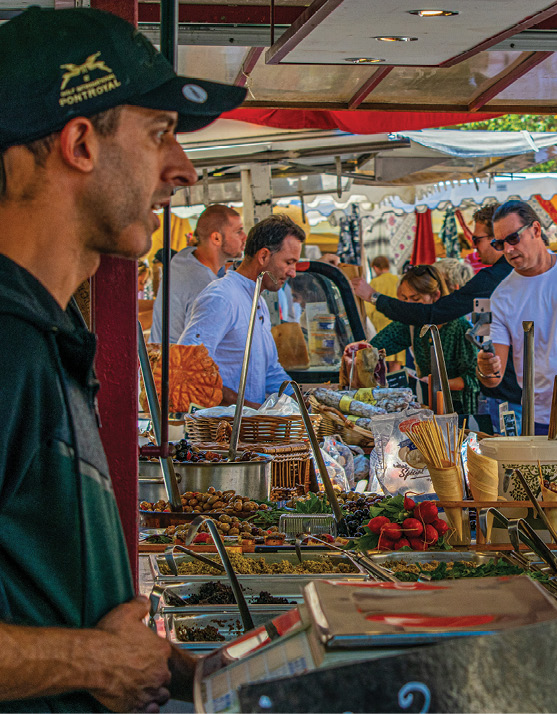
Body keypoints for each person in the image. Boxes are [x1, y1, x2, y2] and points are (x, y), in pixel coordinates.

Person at [0, 6, 244, 711]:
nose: (184, 170)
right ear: (80, 142)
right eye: (160, 134)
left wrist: (190, 674)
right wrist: (94, 661)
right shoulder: (7, 344)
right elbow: (84, 650)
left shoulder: (40, 333)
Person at [351, 203, 523, 422]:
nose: (474, 247)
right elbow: (378, 344)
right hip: (498, 397)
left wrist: (374, 297)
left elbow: (434, 313)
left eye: (476, 239)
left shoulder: (492, 281)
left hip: (501, 401)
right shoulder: (497, 281)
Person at [477, 200, 557, 434]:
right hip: (539, 418)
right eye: (499, 243)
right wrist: (485, 368)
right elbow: (494, 376)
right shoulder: (500, 296)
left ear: (536, 230)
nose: (507, 249)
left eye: (513, 238)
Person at [180, 215, 303, 407]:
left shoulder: (258, 302)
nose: (293, 272)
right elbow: (187, 367)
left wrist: (306, 403)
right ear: (263, 256)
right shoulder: (222, 297)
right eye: (289, 262)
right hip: (220, 432)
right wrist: (248, 409)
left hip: (249, 429)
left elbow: (270, 372)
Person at [369, 265, 479, 415]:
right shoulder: (411, 324)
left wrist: (439, 384)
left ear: (436, 296)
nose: (408, 306)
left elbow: (473, 379)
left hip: (462, 412)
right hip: (428, 408)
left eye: (415, 299)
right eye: (404, 299)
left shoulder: (460, 327)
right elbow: (375, 346)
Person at [150, 204, 245, 343]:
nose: (244, 237)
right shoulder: (205, 289)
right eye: (238, 231)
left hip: (160, 359)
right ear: (216, 238)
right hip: (179, 362)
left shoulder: (183, 258)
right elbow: (199, 348)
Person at [365, 254, 402, 366]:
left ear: (375, 268)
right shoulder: (398, 280)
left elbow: (368, 308)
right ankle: (397, 382)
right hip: (399, 322)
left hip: (380, 323)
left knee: (381, 361)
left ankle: (384, 382)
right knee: (396, 361)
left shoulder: (375, 282)